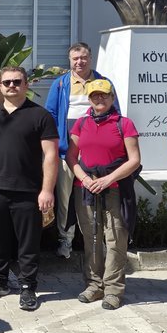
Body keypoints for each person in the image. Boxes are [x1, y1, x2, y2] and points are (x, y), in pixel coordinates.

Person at [0, 66, 59, 312]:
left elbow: (51, 155)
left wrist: (47, 190)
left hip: (28, 191)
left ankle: (28, 287)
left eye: (17, 82)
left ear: (26, 84)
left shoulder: (40, 115)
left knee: (28, 244)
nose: (11, 86)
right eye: (7, 82)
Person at [66, 80, 141, 310]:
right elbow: (71, 157)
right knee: (91, 238)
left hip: (116, 188)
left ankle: (113, 289)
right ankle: (94, 285)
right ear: (89, 99)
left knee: (115, 238)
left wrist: (108, 179)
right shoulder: (81, 124)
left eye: (104, 95)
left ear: (112, 97)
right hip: (86, 189)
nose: (99, 99)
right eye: (94, 95)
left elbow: (134, 160)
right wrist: (85, 179)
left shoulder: (124, 124)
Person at [44, 42, 115, 259]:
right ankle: (65, 240)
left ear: (90, 58)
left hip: (96, 153)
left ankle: (97, 241)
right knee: (65, 199)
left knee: (97, 197)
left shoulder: (103, 82)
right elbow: (50, 115)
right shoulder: (60, 84)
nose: (79, 62)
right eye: (75, 58)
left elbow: (115, 112)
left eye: (83, 57)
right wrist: (56, 144)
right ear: (69, 60)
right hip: (67, 152)